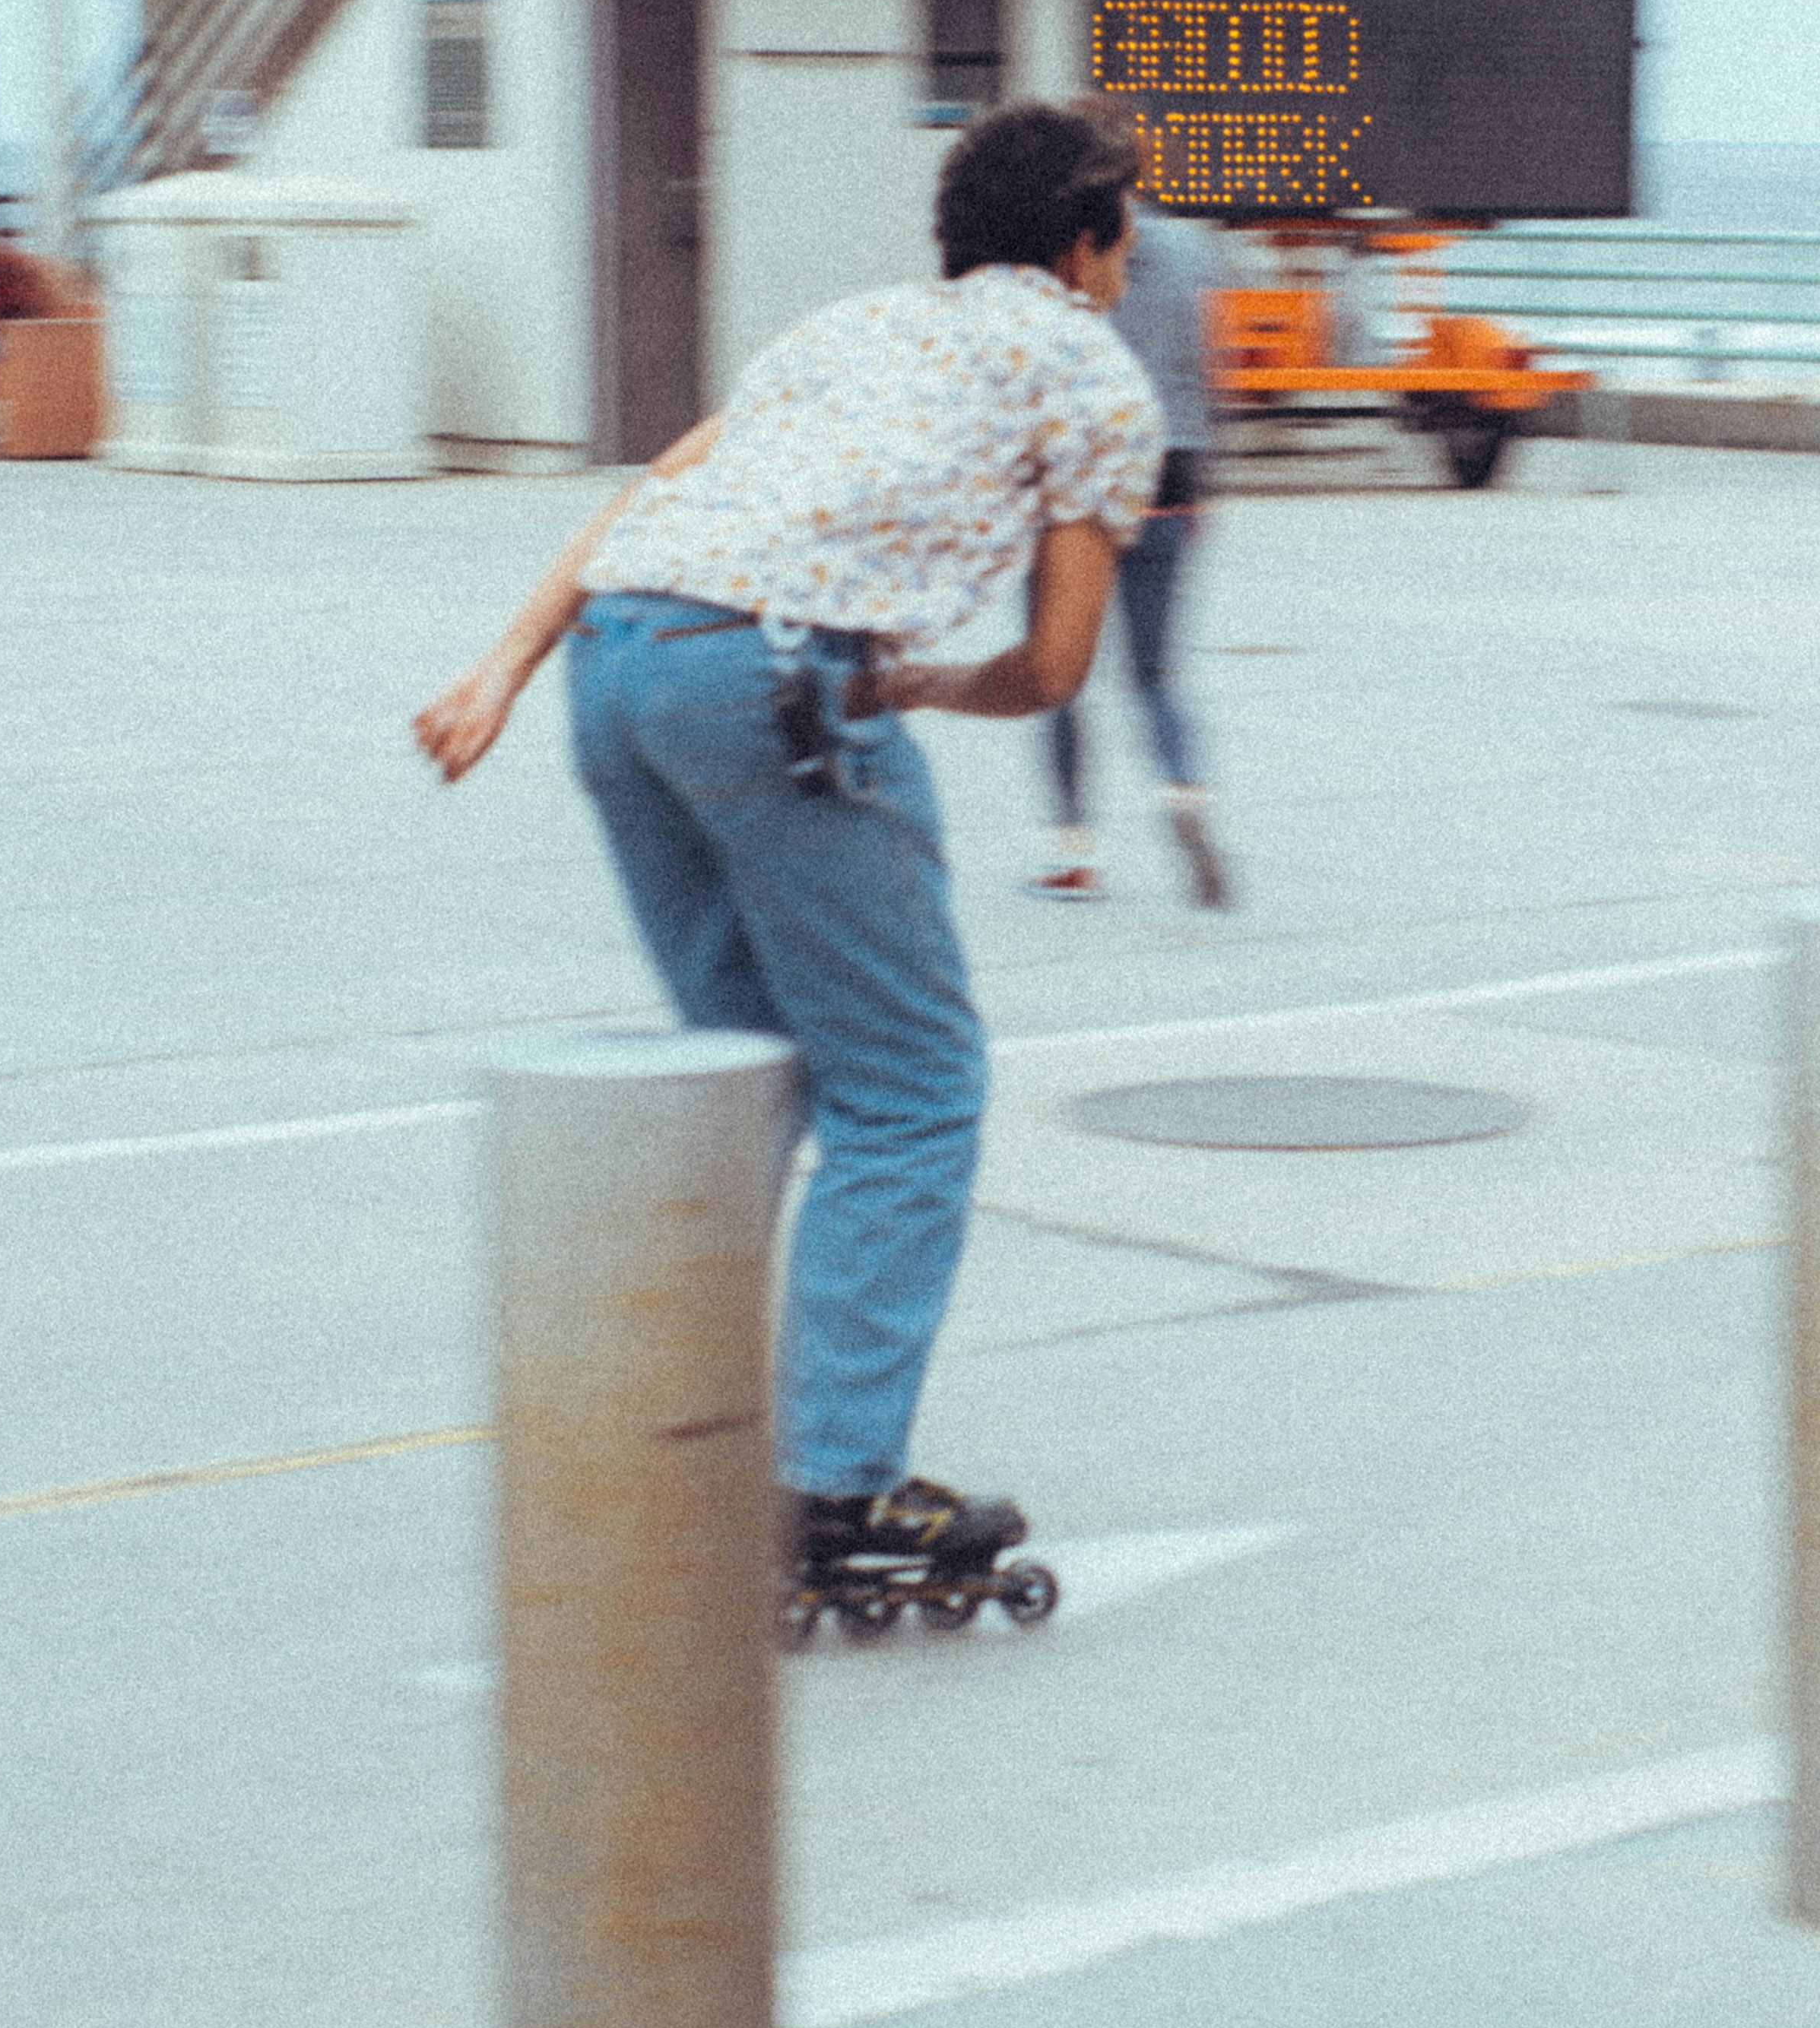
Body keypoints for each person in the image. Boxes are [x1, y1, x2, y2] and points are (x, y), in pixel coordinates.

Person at [413, 97, 1162, 1589]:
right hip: (774, 682)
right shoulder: (1092, 372)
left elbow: (649, 505)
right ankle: (832, 1490)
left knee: (742, 1070)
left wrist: (501, 666)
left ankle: (653, 1429)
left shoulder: (850, 328)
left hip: (619, 672)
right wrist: (920, 683)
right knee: (915, 1089)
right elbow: (1059, 667)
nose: (1130, 258)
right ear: (1084, 245)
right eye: (1124, 231)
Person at [1032, 189, 1232, 905]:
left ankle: (1074, 855)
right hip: (1172, 472)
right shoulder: (1193, 247)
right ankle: (1185, 796)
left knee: (1059, 676)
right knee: (1154, 676)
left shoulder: (1059, 245)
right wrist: (1204, 487)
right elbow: (1214, 372)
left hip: (1082, 482)